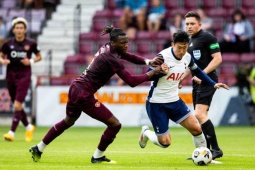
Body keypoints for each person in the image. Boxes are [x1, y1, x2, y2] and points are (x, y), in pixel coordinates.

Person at [29, 25, 164, 164]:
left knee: (68, 121)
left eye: (127, 42)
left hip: (76, 88)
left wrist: (148, 61)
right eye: (123, 43)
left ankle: (38, 148)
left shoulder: (108, 47)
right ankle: (98, 156)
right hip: (83, 94)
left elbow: (127, 56)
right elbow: (131, 81)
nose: (126, 45)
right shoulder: (111, 58)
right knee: (115, 125)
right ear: (113, 43)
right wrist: (151, 73)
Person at [138, 30, 229, 154]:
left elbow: (198, 72)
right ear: (173, 44)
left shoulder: (187, 57)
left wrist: (213, 83)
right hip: (157, 103)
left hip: (175, 101)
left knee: (197, 129)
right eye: (179, 48)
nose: (182, 51)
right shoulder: (162, 57)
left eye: (185, 48)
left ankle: (204, 156)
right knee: (165, 143)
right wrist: (160, 71)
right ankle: (146, 133)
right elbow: (147, 76)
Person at [183, 11, 223, 159]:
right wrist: (181, 79)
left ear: (199, 24)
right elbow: (191, 66)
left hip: (207, 80)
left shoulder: (208, 37)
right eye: (187, 24)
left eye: (192, 23)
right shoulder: (190, 41)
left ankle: (216, 149)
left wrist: (203, 74)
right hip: (197, 82)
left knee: (199, 114)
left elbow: (218, 59)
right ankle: (205, 151)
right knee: (200, 116)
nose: (189, 26)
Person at [0, 17, 42, 142]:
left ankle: (11, 132)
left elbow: (39, 57)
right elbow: (1, 56)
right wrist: (3, 61)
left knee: (18, 104)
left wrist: (30, 61)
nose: (19, 30)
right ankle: (29, 127)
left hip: (24, 76)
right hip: (11, 76)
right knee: (17, 106)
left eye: (21, 28)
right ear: (13, 30)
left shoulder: (31, 43)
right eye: (17, 28)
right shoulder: (8, 44)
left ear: (25, 30)